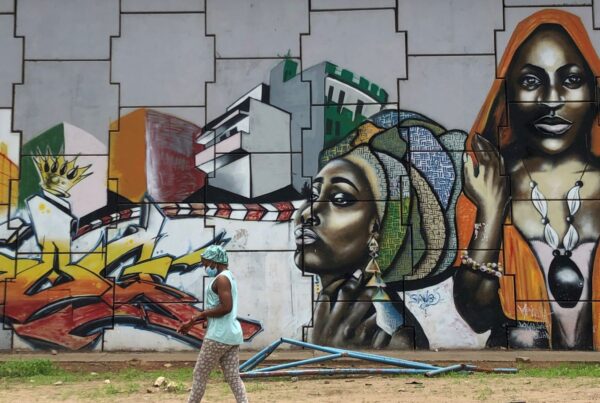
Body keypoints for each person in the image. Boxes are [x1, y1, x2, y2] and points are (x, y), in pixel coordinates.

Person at [454, 9, 600, 349]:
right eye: (532, 82)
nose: (551, 100)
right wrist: (491, 214)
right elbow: (477, 316)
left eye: (572, 80)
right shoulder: (485, 186)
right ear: (507, 95)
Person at [294, 120, 437, 349]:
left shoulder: (392, 335)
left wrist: (328, 348)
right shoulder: (335, 311)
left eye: (340, 199)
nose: (309, 213)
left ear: (376, 228)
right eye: (312, 194)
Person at [178, 245, 248, 402]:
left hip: (218, 336)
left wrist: (199, 315)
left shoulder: (222, 279)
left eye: (206, 263)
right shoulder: (228, 276)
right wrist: (192, 321)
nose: (205, 267)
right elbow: (220, 308)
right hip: (231, 335)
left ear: (215, 261)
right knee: (233, 377)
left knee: (200, 374)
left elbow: (226, 307)